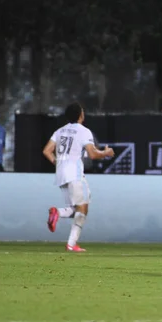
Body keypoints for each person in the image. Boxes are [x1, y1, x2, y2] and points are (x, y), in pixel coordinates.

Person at [42, 102, 114, 252]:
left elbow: (47, 151)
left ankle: (62, 223)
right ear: (81, 115)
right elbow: (93, 154)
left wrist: (57, 162)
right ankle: (70, 242)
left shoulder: (59, 131)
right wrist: (106, 153)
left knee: (75, 209)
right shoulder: (84, 131)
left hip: (61, 174)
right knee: (83, 208)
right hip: (74, 173)